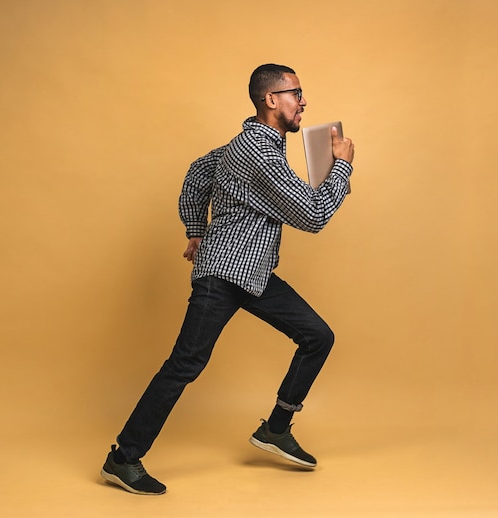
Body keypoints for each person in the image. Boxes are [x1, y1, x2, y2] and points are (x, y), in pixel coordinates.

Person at [101, 63, 355, 495]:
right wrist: (342, 168)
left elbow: (198, 171)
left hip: (250, 271)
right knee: (185, 365)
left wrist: (195, 229)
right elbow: (313, 216)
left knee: (318, 336)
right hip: (222, 274)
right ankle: (122, 459)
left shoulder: (249, 145)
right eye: (296, 92)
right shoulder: (260, 153)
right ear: (270, 100)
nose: (304, 101)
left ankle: (275, 429)